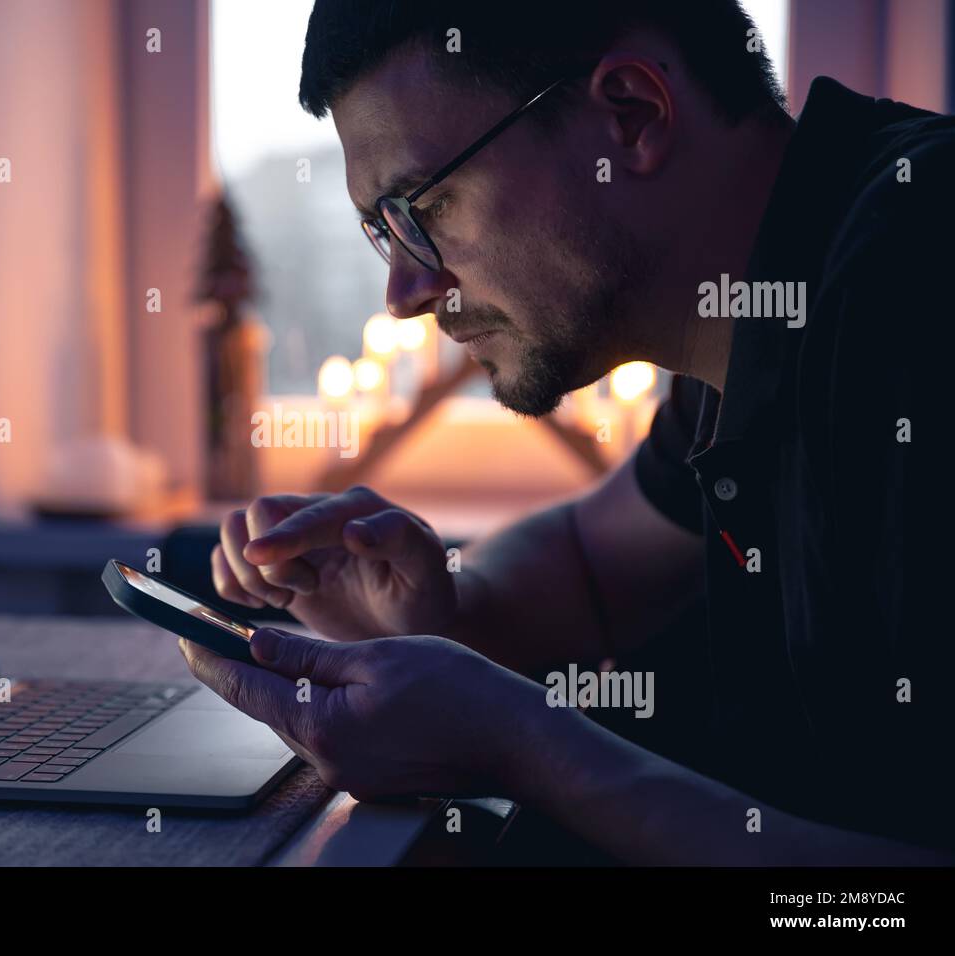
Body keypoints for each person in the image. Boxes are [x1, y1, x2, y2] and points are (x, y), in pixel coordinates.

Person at [182, 0, 952, 864]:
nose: (403, 295)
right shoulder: (751, 310)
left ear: (630, 115)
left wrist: (525, 745)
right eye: (383, 229)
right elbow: (593, 562)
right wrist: (440, 612)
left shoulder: (918, 275)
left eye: (425, 207)